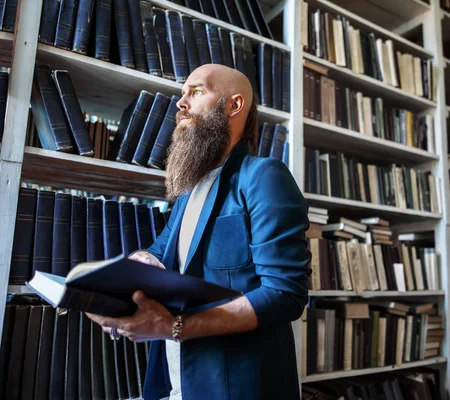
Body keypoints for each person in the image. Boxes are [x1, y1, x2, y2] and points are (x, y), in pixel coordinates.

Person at [88, 64, 310, 400]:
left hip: (235, 388)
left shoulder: (264, 176)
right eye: (182, 94)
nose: (181, 103)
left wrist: (173, 328)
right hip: (175, 384)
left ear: (234, 106)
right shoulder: (190, 189)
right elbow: (163, 252)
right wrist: (139, 263)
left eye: (197, 91)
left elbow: (284, 294)